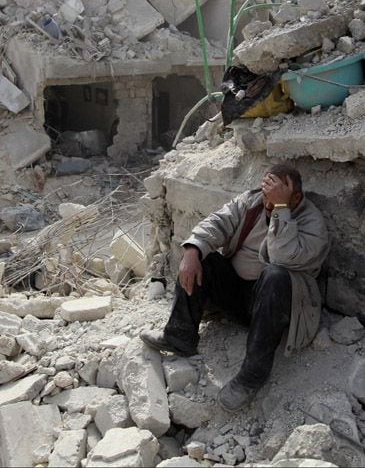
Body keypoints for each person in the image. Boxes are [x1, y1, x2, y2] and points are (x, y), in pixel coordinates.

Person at [140, 164, 329, 412]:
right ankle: (180, 336)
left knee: (275, 275)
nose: (268, 201)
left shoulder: (311, 222)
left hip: (276, 308)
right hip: (238, 295)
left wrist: (281, 210)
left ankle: (252, 377)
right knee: (203, 258)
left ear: (296, 197)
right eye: (267, 193)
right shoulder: (251, 202)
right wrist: (192, 250)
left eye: (277, 195)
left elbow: (282, 257)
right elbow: (218, 222)